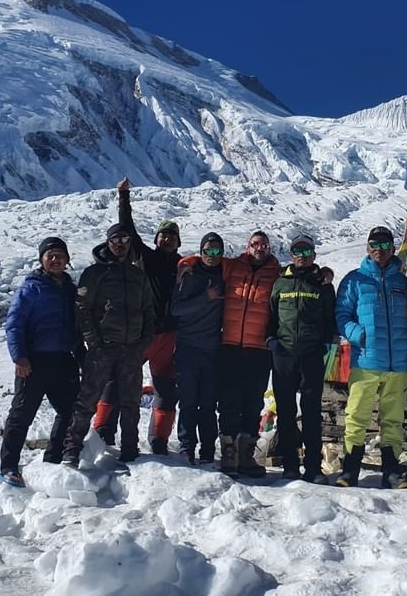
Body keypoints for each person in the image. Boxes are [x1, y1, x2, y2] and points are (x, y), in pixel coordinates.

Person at [178, 230, 280, 478]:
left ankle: (246, 455)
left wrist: (324, 273)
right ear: (248, 246)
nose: (259, 248)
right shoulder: (233, 266)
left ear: (269, 248)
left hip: (258, 349)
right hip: (230, 345)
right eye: (255, 243)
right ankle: (229, 454)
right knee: (228, 401)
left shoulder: (277, 273)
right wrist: (186, 262)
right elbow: (205, 261)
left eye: (264, 245)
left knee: (253, 402)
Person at [92, 177, 181, 455]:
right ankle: (104, 430)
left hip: (168, 337)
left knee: (166, 389)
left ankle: (159, 439)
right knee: (118, 379)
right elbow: (126, 229)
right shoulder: (146, 257)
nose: (166, 239)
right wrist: (123, 197)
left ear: (178, 241)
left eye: (171, 236)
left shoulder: (185, 265)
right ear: (156, 240)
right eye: (162, 235)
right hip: (142, 333)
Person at [62, 222, 155, 467]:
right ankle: (71, 448)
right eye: (116, 241)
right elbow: (82, 308)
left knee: (131, 401)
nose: (120, 246)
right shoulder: (95, 273)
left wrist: (144, 341)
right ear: (108, 242)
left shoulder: (138, 275)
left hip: (131, 348)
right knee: (88, 400)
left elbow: (148, 309)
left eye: (125, 241)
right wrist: (94, 341)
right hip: (102, 348)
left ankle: (129, 448)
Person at [0, 237, 85, 488]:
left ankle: (53, 458)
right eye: (50, 255)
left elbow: (75, 327)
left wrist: (80, 356)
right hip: (34, 361)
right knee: (21, 415)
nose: (56, 259)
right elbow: (14, 324)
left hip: (62, 359)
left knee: (69, 412)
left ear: (67, 260)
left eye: (60, 255)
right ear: (42, 260)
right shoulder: (31, 289)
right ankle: (8, 466)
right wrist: (20, 357)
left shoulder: (70, 289)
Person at [334, 226, 407, 489]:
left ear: (392, 248)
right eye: (374, 245)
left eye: (384, 245)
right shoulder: (354, 280)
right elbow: (342, 315)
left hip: (398, 362)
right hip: (366, 361)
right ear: (367, 248)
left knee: (393, 419)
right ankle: (350, 470)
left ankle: (391, 471)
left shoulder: (402, 281)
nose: (379, 250)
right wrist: (358, 334)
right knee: (356, 416)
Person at [266, 234, 336, 483]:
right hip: (283, 355)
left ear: (314, 256)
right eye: (298, 252)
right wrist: (271, 341)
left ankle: (313, 467)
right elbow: (270, 316)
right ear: (291, 255)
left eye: (307, 252)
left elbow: (331, 319)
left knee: (311, 412)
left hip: (311, 355)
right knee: (285, 412)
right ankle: (290, 465)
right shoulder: (280, 284)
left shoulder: (322, 284)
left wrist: (325, 345)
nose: (303, 257)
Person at [170, 233, 226, 464]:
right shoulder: (189, 275)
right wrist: (206, 297)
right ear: (200, 252)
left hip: (212, 350)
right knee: (188, 402)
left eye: (216, 251)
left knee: (208, 404)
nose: (212, 256)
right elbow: (176, 309)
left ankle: (207, 449)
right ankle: (186, 446)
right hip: (187, 348)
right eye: (207, 251)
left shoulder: (226, 276)